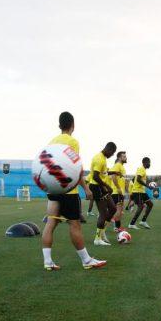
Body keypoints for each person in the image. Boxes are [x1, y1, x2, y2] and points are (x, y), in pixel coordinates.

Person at [40, 112, 107, 270]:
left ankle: (47, 262)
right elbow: (75, 167)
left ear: (59, 125)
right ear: (73, 125)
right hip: (68, 191)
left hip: (53, 189)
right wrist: (86, 188)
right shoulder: (72, 141)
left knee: (50, 223)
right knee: (74, 224)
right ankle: (86, 260)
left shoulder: (51, 142)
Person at [88, 142, 117, 245]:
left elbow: (103, 173)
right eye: (112, 153)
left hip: (101, 187)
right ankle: (97, 239)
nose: (112, 155)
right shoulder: (99, 159)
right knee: (103, 213)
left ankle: (102, 232)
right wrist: (107, 186)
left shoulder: (103, 158)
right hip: (96, 187)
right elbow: (95, 176)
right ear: (109, 150)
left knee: (113, 208)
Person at [128, 157, 155, 229]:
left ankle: (143, 221)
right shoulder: (141, 169)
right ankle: (131, 224)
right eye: (149, 162)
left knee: (150, 204)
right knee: (141, 206)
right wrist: (147, 186)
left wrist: (146, 185)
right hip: (137, 191)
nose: (149, 164)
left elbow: (139, 179)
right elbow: (138, 179)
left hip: (142, 192)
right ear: (145, 163)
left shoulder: (143, 170)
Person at [108, 151, 128, 234]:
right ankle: (113, 226)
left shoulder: (122, 167)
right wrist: (118, 188)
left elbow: (121, 179)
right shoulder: (117, 165)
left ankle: (118, 227)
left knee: (119, 210)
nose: (126, 158)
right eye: (124, 156)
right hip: (117, 192)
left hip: (120, 192)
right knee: (118, 210)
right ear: (119, 158)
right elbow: (113, 176)